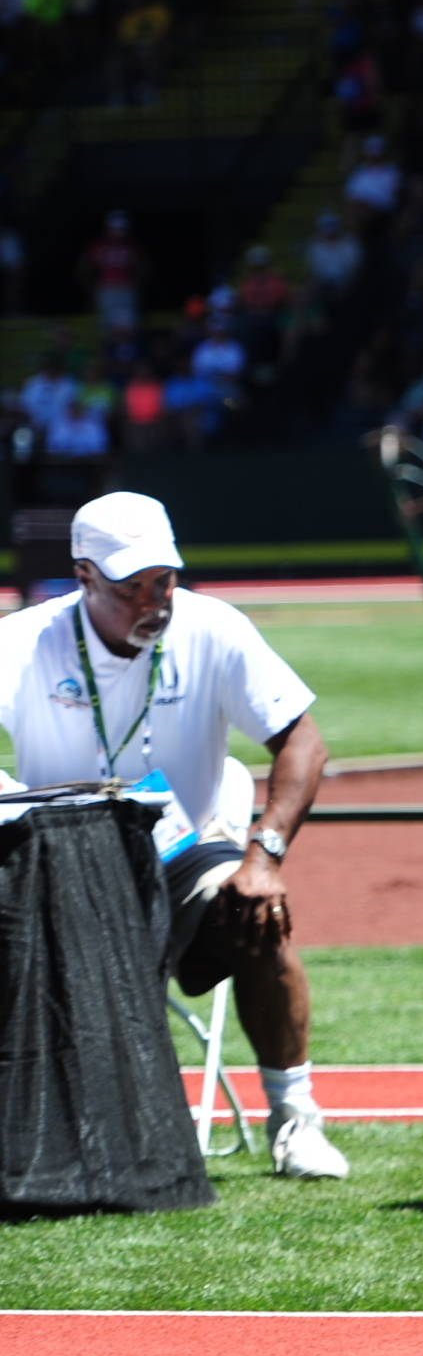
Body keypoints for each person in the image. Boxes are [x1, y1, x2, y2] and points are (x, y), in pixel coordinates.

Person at [0, 492, 344, 1178]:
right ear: (83, 576)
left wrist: (264, 854)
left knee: (259, 916)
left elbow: (303, 741)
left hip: (183, 849)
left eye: (165, 580)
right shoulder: (23, 640)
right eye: (131, 588)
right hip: (60, 856)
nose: (154, 602)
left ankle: (296, 1119)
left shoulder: (213, 627)